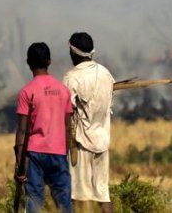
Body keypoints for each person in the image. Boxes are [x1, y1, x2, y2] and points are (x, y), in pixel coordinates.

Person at [14, 42, 73, 213]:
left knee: (34, 202)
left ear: (28, 63)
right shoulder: (63, 90)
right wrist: (64, 153)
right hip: (59, 153)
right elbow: (68, 127)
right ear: (49, 61)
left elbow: (22, 131)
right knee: (64, 203)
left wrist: (19, 163)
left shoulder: (27, 91)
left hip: (34, 154)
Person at [62, 32, 115, 213]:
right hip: (102, 142)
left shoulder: (71, 77)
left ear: (73, 52)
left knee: (78, 197)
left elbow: (66, 112)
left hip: (81, 144)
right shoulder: (106, 74)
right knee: (103, 195)